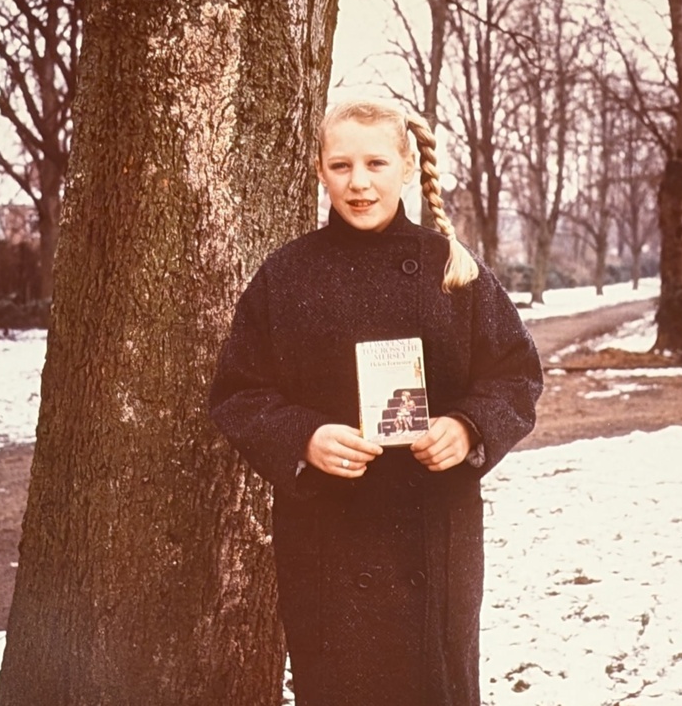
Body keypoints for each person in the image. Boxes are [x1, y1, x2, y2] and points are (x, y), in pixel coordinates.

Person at [209, 99, 543, 706]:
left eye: (375, 163)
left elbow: (516, 376)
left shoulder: (454, 270)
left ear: (408, 168)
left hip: (434, 533)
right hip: (326, 538)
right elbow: (239, 392)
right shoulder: (286, 275)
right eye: (340, 165)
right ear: (318, 169)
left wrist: (468, 429)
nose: (358, 183)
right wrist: (304, 438)